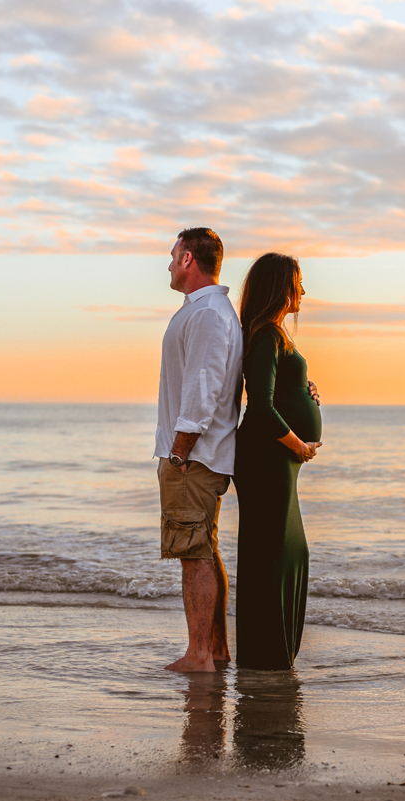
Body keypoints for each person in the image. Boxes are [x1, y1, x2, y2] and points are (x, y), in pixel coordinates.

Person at [155, 227, 244, 673]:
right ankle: (217, 650)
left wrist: (179, 451)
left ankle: (199, 655)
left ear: (189, 259)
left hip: (195, 456)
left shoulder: (209, 313)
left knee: (193, 553)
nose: (169, 264)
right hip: (197, 454)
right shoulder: (208, 311)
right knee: (202, 547)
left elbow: (204, 386)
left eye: (173, 256)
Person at [234, 253, 322, 671]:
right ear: (280, 287)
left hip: (275, 461)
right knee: (274, 553)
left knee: (285, 551)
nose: (303, 291)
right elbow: (260, 410)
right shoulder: (266, 334)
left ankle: (273, 652)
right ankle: (266, 656)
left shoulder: (274, 337)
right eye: (298, 283)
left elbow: (277, 396)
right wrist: (297, 445)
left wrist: (303, 394)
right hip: (267, 459)